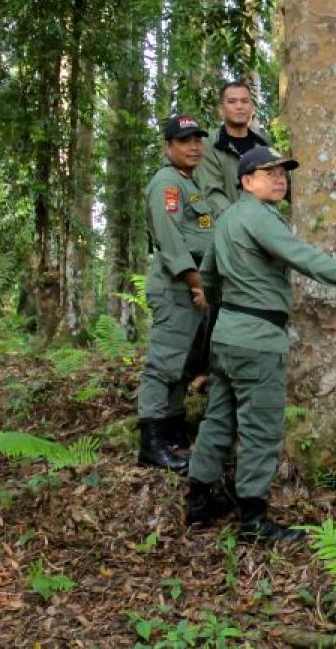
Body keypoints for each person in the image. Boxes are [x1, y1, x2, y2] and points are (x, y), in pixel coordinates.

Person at [185, 146, 336, 541]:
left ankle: (199, 501)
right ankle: (253, 520)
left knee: (220, 416)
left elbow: (209, 277)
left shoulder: (226, 219)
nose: (278, 177)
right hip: (257, 339)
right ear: (246, 181)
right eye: (268, 172)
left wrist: (226, 308)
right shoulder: (259, 216)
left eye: (282, 172)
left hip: (228, 333)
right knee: (261, 428)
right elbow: (304, 258)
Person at [137, 115, 216, 474]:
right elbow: (170, 242)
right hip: (178, 287)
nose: (194, 146)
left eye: (197, 139)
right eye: (185, 141)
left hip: (194, 285)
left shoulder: (190, 182)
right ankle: (151, 443)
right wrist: (196, 284)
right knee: (164, 364)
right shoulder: (167, 184)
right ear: (168, 146)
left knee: (183, 365)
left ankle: (171, 432)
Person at [197, 81, 272, 220]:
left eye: (245, 101)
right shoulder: (209, 144)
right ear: (221, 110)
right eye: (232, 102)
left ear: (252, 108)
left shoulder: (263, 144)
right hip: (229, 228)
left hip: (265, 226)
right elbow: (212, 192)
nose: (239, 106)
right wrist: (238, 223)